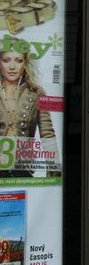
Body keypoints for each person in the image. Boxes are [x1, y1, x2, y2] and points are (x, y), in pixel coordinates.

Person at [0, 48, 59, 178]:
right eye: (6, 60)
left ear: (25, 64)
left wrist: (54, 171)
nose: (12, 66)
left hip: (23, 170)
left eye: (18, 60)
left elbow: (47, 134)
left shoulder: (36, 93)